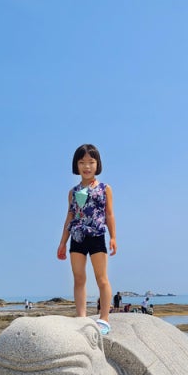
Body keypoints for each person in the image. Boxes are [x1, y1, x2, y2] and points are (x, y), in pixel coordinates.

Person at [57, 143, 117, 335]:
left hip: (97, 235)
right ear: (76, 165)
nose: (87, 166)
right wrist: (62, 242)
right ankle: (81, 317)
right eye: (82, 162)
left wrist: (113, 237)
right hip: (77, 237)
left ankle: (104, 319)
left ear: (97, 164)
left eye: (91, 162)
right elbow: (69, 216)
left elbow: (109, 214)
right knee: (79, 278)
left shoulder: (105, 188)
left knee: (101, 278)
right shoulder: (73, 192)